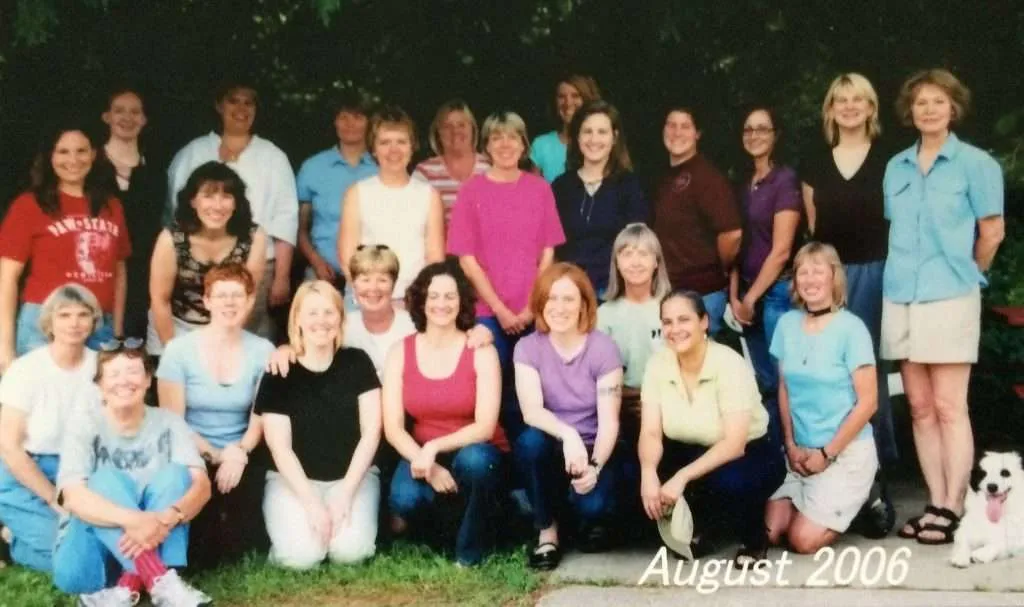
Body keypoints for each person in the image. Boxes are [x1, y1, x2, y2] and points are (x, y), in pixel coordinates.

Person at [882, 69, 1004, 545]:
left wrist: (967, 275)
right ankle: (936, 500)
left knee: (951, 407)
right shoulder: (896, 167)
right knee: (918, 408)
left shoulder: (976, 164)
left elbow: (991, 232)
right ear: (909, 112)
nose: (928, 109)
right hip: (901, 295)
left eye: (938, 102)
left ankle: (955, 504)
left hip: (951, 294)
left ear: (954, 108)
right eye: (920, 103)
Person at [801, 73, 898, 533]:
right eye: (841, 99)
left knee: (867, 376)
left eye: (858, 99)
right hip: (831, 279)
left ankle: (875, 484)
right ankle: (835, 474)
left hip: (875, 274)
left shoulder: (890, 159)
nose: (850, 106)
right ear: (830, 108)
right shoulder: (815, 162)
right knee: (830, 374)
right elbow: (815, 228)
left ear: (871, 107)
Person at [51, 343, 212, 606]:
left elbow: (201, 486)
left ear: (148, 379)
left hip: (156, 535)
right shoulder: (84, 424)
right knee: (102, 480)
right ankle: (159, 578)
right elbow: (73, 497)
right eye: (113, 374)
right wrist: (137, 521)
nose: (124, 381)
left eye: (133, 372)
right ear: (100, 385)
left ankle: (131, 585)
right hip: (92, 551)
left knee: (175, 474)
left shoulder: (170, 422)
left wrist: (171, 516)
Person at [639, 290, 784, 563]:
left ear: (704, 322)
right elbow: (650, 432)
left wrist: (681, 478)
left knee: (729, 480)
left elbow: (734, 444)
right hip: (689, 450)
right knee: (640, 472)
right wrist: (648, 474)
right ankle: (706, 528)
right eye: (667, 322)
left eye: (684, 320)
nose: (675, 329)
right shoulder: (658, 364)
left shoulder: (728, 363)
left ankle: (753, 535)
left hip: (749, 454)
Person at [447, 111, 566, 439]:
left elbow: (548, 254)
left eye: (512, 136)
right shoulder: (471, 191)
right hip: (488, 312)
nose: (505, 144)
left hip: (534, 309)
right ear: (485, 145)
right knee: (490, 394)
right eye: (496, 137)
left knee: (534, 393)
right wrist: (500, 310)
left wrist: (532, 306)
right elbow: (467, 261)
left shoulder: (540, 189)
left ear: (524, 144)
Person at [383, 260, 508, 567]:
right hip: (426, 455)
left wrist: (434, 447)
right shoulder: (401, 351)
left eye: (450, 296)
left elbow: (485, 425)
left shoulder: (480, 350)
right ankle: (458, 527)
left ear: (462, 301)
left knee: (474, 463)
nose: (442, 304)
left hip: (477, 451)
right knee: (403, 499)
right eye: (434, 296)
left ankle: (468, 554)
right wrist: (428, 463)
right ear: (421, 301)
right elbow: (394, 428)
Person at [156, 263, 274, 570]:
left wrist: (239, 452)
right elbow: (173, 420)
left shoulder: (263, 350)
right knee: (202, 551)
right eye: (221, 295)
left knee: (243, 543)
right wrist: (216, 455)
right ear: (207, 301)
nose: (230, 303)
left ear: (250, 301)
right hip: (190, 450)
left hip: (244, 451)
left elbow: (260, 414)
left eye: (238, 295)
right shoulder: (178, 350)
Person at [257, 280, 382, 570]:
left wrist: (345, 493)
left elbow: (371, 432)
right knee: (301, 558)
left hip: (352, 478)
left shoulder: (357, 362)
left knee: (350, 553)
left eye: (329, 312)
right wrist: (312, 504)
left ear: (340, 318)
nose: (321, 321)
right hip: (293, 482)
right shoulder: (279, 371)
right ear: (297, 319)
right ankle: (291, 541)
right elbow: (280, 448)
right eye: (312, 313)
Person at [765, 242, 879, 553]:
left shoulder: (852, 329)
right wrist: (789, 445)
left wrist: (826, 454)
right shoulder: (787, 325)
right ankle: (822, 506)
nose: (810, 279)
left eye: (819, 271)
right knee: (770, 533)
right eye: (803, 271)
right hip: (800, 455)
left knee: (802, 541)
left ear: (834, 277)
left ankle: (863, 500)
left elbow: (869, 403)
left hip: (843, 453)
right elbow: (784, 388)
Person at [167, 77, 298, 338]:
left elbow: (286, 217)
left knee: (249, 338)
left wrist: (282, 277)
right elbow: (175, 212)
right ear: (219, 105)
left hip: (259, 265)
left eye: (248, 102)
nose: (241, 108)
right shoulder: (193, 153)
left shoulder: (273, 156)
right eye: (233, 101)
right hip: (199, 265)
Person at [513, 263, 623, 570]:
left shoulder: (603, 348)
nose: (559, 308)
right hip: (553, 445)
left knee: (594, 506)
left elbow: (609, 420)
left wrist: (596, 466)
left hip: (594, 447)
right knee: (529, 442)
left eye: (569, 299)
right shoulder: (528, 348)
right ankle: (547, 531)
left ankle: (583, 516)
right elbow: (531, 410)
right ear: (540, 303)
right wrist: (568, 435)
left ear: (584, 305)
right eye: (551, 298)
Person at [0, 118, 130, 371]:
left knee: (94, 406)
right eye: (63, 151)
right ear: (50, 156)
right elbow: (7, 278)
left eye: (81, 151)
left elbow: (119, 272)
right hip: (44, 323)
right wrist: (4, 347)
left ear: (94, 154)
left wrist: (116, 331)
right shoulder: (29, 205)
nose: (73, 160)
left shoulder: (111, 206)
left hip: (97, 322)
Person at [0, 285, 101, 572]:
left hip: (79, 472)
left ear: (94, 321)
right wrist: (55, 499)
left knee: (96, 544)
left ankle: (15, 534)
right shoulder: (26, 370)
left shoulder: (101, 367)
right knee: (72, 556)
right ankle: (16, 542)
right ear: (49, 322)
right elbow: (9, 447)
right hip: (24, 475)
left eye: (83, 315)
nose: (74, 323)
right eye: (64, 315)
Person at [148, 162, 266, 355]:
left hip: (229, 325)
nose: (217, 206)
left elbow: (249, 296)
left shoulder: (254, 237)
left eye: (227, 196)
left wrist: (225, 342)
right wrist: (174, 353)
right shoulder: (171, 239)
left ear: (237, 202)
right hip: (173, 325)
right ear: (193, 201)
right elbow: (160, 300)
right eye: (208, 196)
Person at [729, 105, 801, 408]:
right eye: (748, 129)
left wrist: (751, 298)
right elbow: (735, 242)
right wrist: (735, 296)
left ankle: (797, 451)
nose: (754, 135)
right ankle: (775, 451)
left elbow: (782, 250)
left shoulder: (784, 180)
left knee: (786, 380)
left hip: (775, 296)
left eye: (762, 128)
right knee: (766, 383)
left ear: (776, 134)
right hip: (746, 293)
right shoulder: (742, 183)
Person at [337, 106, 445, 306]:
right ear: (374, 149)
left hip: (414, 302)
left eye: (401, 142)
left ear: (412, 147)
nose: (393, 150)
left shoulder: (429, 196)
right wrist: (372, 299)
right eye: (385, 142)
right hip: (364, 301)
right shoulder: (356, 194)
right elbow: (347, 257)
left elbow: (435, 259)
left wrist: (413, 301)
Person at [652, 106, 741, 337]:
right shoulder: (664, 177)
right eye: (671, 125)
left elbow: (732, 234)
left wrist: (718, 267)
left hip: (703, 295)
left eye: (685, 126)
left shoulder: (707, 177)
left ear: (697, 134)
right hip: (672, 292)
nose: (677, 132)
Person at [552, 101, 648, 296]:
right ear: (577, 136)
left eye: (602, 132)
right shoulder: (561, 186)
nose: (594, 139)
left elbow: (637, 244)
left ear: (614, 137)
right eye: (587, 131)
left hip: (614, 292)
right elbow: (550, 248)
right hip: (569, 291)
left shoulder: (629, 185)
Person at [101, 86, 166, 341]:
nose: (127, 118)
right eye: (119, 111)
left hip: (143, 271)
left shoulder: (155, 172)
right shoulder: (90, 165)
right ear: (106, 116)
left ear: (144, 119)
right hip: (99, 268)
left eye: (134, 112)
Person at [596, 223, 672, 442]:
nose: (635, 262)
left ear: (656, 262)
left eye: (644, 254)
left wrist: (654, 399)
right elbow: (597, 375)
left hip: (667, 406)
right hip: (619, 406)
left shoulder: (672, 308)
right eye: (627, 254)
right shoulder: (604, 315)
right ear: (617, 264)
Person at [296, 92, 378, 288]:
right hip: (323, 271)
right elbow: (300, 230)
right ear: (335, 122)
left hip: (372, 273)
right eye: (344, 117)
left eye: (358, 117)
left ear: (369, 123)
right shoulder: (313, 167)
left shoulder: (381, 167)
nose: (350, 124)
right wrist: (316, 261)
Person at [413, 99, 490, 227]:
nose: (455, 131)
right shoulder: (424, 173)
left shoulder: (490, 168)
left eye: (461, 125)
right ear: (438, 133)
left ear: (473, 128)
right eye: (447, 126)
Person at [531, 74, 602, 182]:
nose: (568, 103)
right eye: (561, 97)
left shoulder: (600, 142)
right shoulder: (541, 144)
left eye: (575, 96)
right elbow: (532, 193)